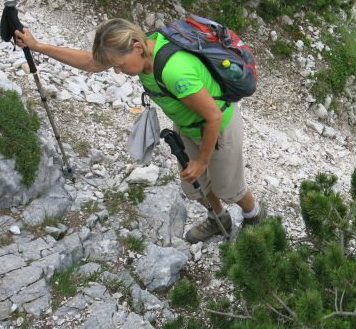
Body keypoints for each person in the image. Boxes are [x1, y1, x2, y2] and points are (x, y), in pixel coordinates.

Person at [15, 18, 266, 243]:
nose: (116, 70)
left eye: (119, 65)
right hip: (189, 125)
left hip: (219, 127)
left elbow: (212, 116)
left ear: (136, 47)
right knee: (194, 185)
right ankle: (219, 219)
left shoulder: (175, 71)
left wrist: (203, 160)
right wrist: (38, 47)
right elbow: (92, 63)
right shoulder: (144, 49)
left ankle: (254, 216)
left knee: (227, 187)